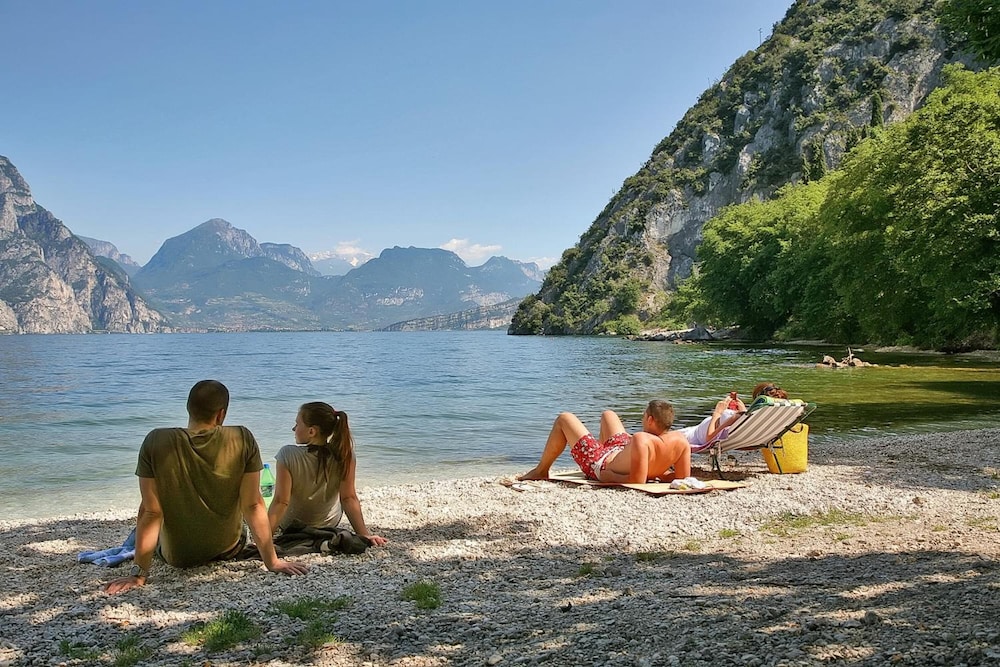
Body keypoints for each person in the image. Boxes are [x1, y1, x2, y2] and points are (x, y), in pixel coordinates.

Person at [103, 380, 308, 594]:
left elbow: (151, 511)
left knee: (145, 522)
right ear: (221, 415)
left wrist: (138, 574)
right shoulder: (242, 438)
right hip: (229, 548)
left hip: (178, 558)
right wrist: (272, 562)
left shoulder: (156, 441)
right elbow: (253, 504)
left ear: (188, 408)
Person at [267, 402, 387, 547]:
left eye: (297, 424)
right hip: (329, 525)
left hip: (291, 527)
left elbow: (281, 501)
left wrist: (265, 539)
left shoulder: (287, 454)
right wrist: (364, 535)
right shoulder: (345, 456)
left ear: (312, 431)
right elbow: (348, 498)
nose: (293, 428)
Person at [517, 400, 691, 484]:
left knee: (564, 418)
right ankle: (598, 445)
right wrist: (658, 472)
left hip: (599, 463)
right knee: (609, 414)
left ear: (651, 420)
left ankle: (541, 470)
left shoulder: (641, 439)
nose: (642, 419)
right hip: (620, 450)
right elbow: (682, 479)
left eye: (644, 416)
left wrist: (609, 476)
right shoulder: (681, 441)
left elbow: (636, 482)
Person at [680, 382, 789, 448]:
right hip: (694, 432)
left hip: (693, 437)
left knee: (664, 439)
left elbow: (709, 439)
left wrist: (717, 412)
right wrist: (744, 411)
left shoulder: (738, 417)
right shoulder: (770, 420)